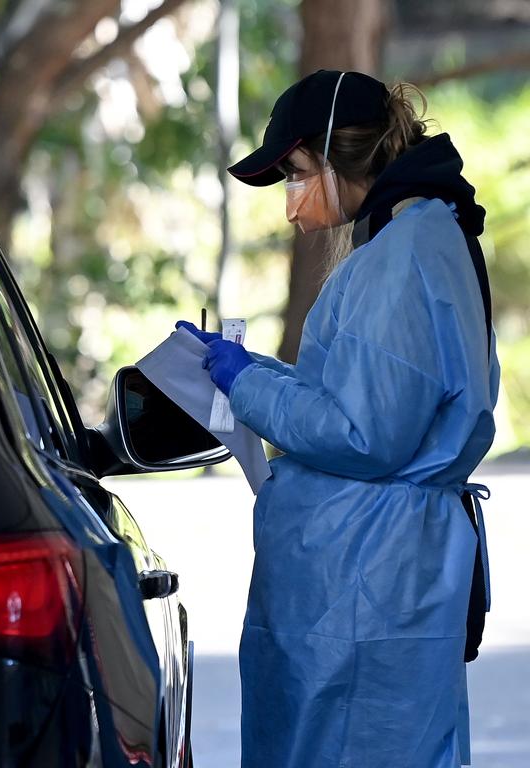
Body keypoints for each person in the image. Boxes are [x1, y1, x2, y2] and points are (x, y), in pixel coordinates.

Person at [180, 69, 499, 767]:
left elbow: (365, 432)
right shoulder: (415, 237)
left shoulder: (403, 254)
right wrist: (251, 371)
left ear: (334, 153)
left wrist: (247, 388)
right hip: (374, 567)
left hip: (366, 577)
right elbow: (365, 395)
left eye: (295, 172)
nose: (291, 200)